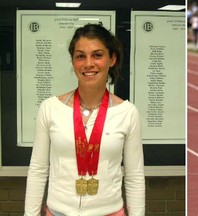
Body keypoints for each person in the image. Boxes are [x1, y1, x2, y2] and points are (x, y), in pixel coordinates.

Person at [24, 23, 145, 216]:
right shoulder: (50, 108)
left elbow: (134, 176)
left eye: (97, 55)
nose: (88, 63)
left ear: (112, 59)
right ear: (73, 61)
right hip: (58, 212)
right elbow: (38, 170)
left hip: (110, 212)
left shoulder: (127, 112)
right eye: (80, 56)